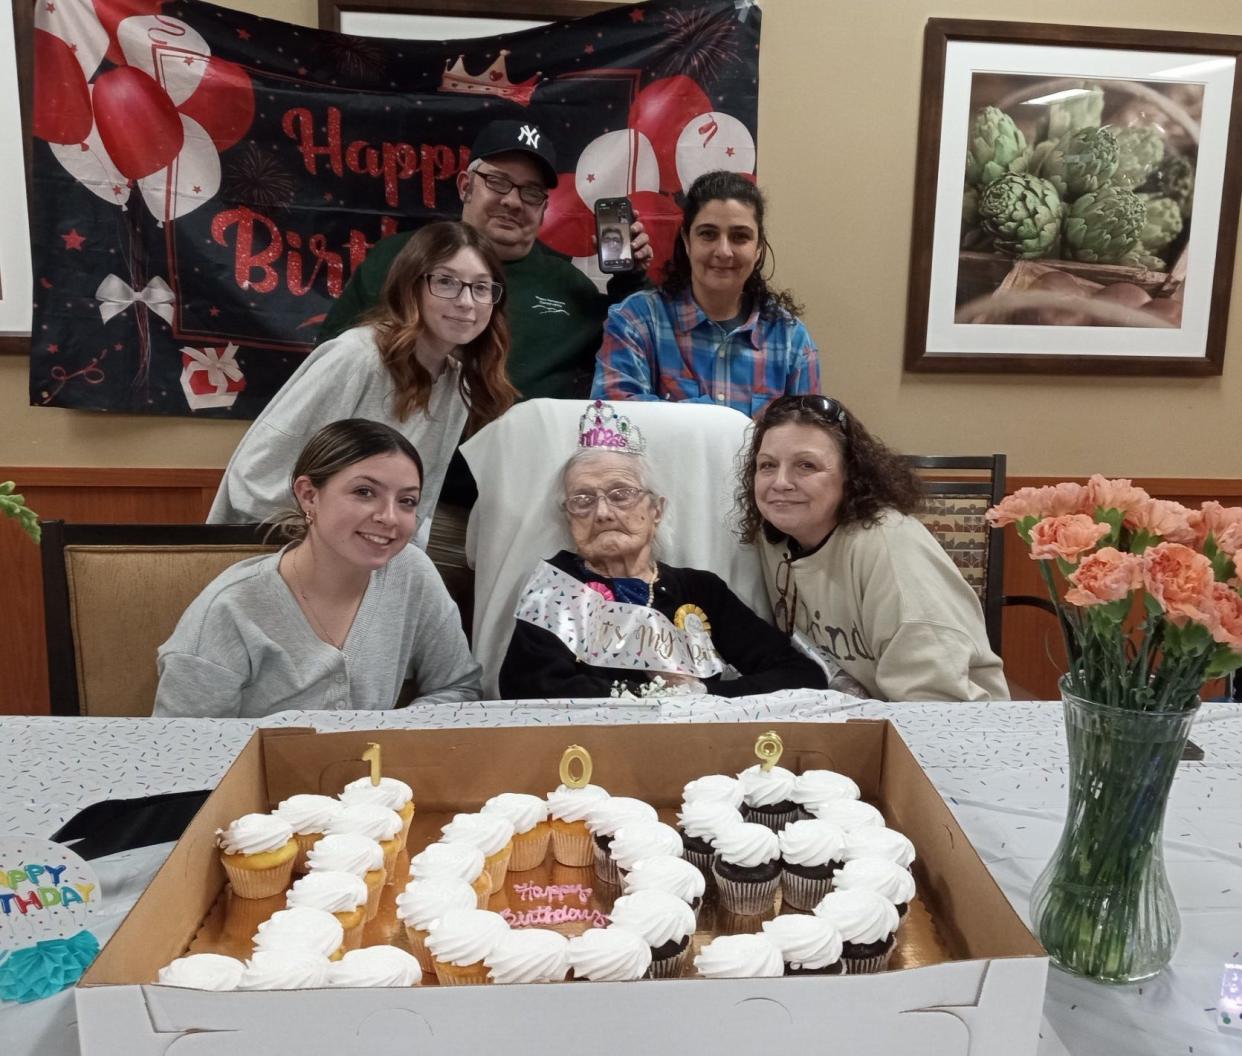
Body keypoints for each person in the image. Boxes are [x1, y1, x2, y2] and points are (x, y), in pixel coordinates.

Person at [208, 221, 515, 551]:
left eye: (482, 287)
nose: (467, 302)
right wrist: (313, 556)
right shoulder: (356, 357)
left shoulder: (458, 384)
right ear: (411, 287)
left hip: (364, 557)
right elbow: (255, 476)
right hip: (277, 553)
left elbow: (417, 508)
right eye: (446, 281)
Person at [498, 401, 827, 699]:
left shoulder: (701, 590)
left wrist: (703, 693)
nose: (602, 513)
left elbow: (801, 675)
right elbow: (527, 685)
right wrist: (658, 696)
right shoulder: (559, 584)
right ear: (568, 518)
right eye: (582, 500)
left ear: (656, 510)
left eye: (621, 494)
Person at [156, 420, 481, 717]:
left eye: (407, 501)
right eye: (364, 492)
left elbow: (457, 687)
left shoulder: (411, 572)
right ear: (309, 495)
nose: (390, 517)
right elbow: (182, 748)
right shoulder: (230, 610)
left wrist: (395, 738)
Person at [320, 119, 651, 401]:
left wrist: (630, 279)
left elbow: (636, 356)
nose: (513, 201)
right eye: (497, 182)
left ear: (544, 207)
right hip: (398, 460)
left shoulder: (570, 285)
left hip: (517, 465)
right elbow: (331, 367)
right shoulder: (397, 258)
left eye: (531, 192)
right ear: (466, 186)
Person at [735, 395, 1009, 702]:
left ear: (850, 476)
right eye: (768, 465)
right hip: (853, 716)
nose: (781, 482)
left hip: (947, 726)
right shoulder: (776, 539)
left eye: (806, 466)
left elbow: (938, 704)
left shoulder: (890, 549)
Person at [592, 170, 820, 417]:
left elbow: (807, 439)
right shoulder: (634, 321)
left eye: (740, 237)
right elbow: (611, 422)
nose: (723, 251)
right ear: (687, 242)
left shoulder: (792, 342)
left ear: (758, 249)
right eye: (708, 234)